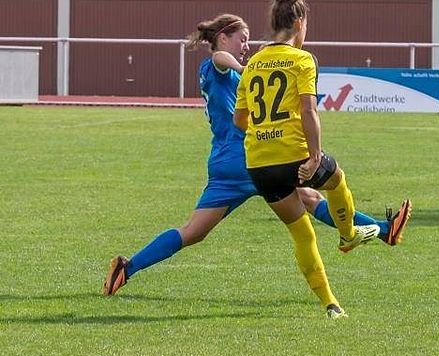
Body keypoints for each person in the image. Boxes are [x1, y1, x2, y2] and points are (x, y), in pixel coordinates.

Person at [102, 13, 411, 304]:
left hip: (224, 162)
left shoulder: (223, 75)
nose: (246, 46)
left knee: (193, 231)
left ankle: (127, 268)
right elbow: (220, 58)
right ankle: (383, 230)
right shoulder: (217, 65)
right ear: (223, 38)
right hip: (250, 157)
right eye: (242, 39)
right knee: (309, 198)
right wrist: (243, 68)